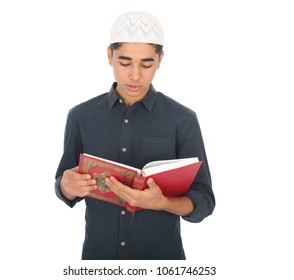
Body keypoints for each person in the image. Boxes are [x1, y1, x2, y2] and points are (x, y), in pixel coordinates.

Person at [54, 11, 215, 260]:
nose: (135, 75)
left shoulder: (182, 119)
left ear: (160, 59)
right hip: (98, 262)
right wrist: (66, 185)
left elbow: (204, 200)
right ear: (109, 55)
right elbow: (63, 184)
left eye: (147, 64)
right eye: (125, 62)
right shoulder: (81, 116)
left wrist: (163, 203)